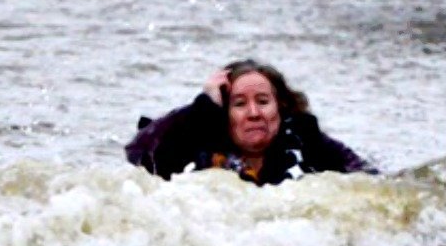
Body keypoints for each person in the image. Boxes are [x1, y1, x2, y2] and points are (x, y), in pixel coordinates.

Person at [125, 59, 377, 185]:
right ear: (224, 113)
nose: (254, 113)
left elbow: (367, 179)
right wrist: (203, 104)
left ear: (281, 107)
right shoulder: (197, 138)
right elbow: (141, 154)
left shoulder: (305, 139)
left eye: (263, 101)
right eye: (240, 104)